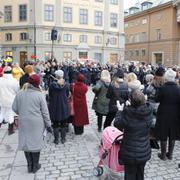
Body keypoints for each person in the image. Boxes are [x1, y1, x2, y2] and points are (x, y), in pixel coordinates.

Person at [12, 74, 52, 174]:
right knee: (36, 144)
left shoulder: (20, 93)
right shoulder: (39, 95)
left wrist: (22, 113)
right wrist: (48, 125)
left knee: (26, 143)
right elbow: (45, 112)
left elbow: (14, 108)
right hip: (36, 123)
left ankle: (29, 165)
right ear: (37, 84)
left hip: (24, 122)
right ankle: (35, 165)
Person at [114, 90, 153, 180]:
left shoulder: (128, 113)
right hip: (144, 151)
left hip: (129, 152)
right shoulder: (148, 112)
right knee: (140, 174)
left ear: (131, 101)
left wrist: (120, 111)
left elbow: (117, 124)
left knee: (129, 175)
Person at [155, 68, 180, 160]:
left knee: (163, 133)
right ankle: (170, 154)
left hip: (163, 113)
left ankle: (163, 155)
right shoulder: (178, 88)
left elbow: (156, 99)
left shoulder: (162, 88)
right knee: (172, 133)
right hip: (175, 114)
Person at [48, 70, 70, 144]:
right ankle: (63, 139)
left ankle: (56, 139)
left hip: (54, 106)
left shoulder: (51, 85)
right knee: (63, 124)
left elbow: (50, 95)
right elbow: (67, 95)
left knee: (55, 124)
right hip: (63, 105)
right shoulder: (66, 84)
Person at [0, 66, 19, 134]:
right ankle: (10, 130)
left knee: (2, 113)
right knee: (11, 114)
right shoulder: (14, 80)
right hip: (11, 101)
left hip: (2, 100)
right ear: (11, 72)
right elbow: (17, 90)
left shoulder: (0, 79)